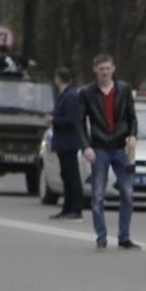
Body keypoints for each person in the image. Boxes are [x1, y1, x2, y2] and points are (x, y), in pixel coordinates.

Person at [76, 53, 140, 250]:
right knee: (98, 195)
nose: (105, 72)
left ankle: (124, 237)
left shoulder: (124, 88)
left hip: (121, 147)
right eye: (101, 68)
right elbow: (79, 122)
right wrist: (86, 146)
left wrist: (133, 135)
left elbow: (132, 117)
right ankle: (101, 237)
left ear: (114, 68)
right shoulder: (87, 92)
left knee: (127, 194)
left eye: (108, 68)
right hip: (100, 147)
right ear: (95, 69)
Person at [46, 67, 84, 221]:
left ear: (58, 79)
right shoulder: (66, 94)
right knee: (66, 176)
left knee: (71, 176)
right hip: (64, 142)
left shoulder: (70, 96)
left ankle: (75, 209)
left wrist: (53, 120)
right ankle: (67, 208)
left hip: (68, 142)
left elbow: (71, 119)